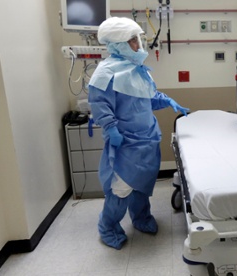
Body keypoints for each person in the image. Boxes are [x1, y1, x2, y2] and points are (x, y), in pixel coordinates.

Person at [88, 17, 189, 250]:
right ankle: (108, 226)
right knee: (121, 189)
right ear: (118, 44)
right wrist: (111, 129)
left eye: (138, 39)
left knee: (142, 184)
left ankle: (141, 218)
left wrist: (168, 101)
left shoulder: (137, 68)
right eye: (132, 40)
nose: (138, 45)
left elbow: (147, 98)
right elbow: (100, 105)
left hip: (147, 138)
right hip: (125, 142)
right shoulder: (104, 73)